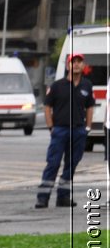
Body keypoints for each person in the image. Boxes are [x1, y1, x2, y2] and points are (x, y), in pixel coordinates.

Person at [36, 52, 96, 209]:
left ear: (83, 65)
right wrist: (51, 127)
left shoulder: (87, 85)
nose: (76, 64)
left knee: (71, 165)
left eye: (79, 62)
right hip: (60, 130)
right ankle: (43, 197)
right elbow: (47, 107)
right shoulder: (57, 86)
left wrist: (88, 127)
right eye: (73, 62)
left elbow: (90, 107)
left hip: (78, 131)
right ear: (68, 65)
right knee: (53, 164)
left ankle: (63, 197)